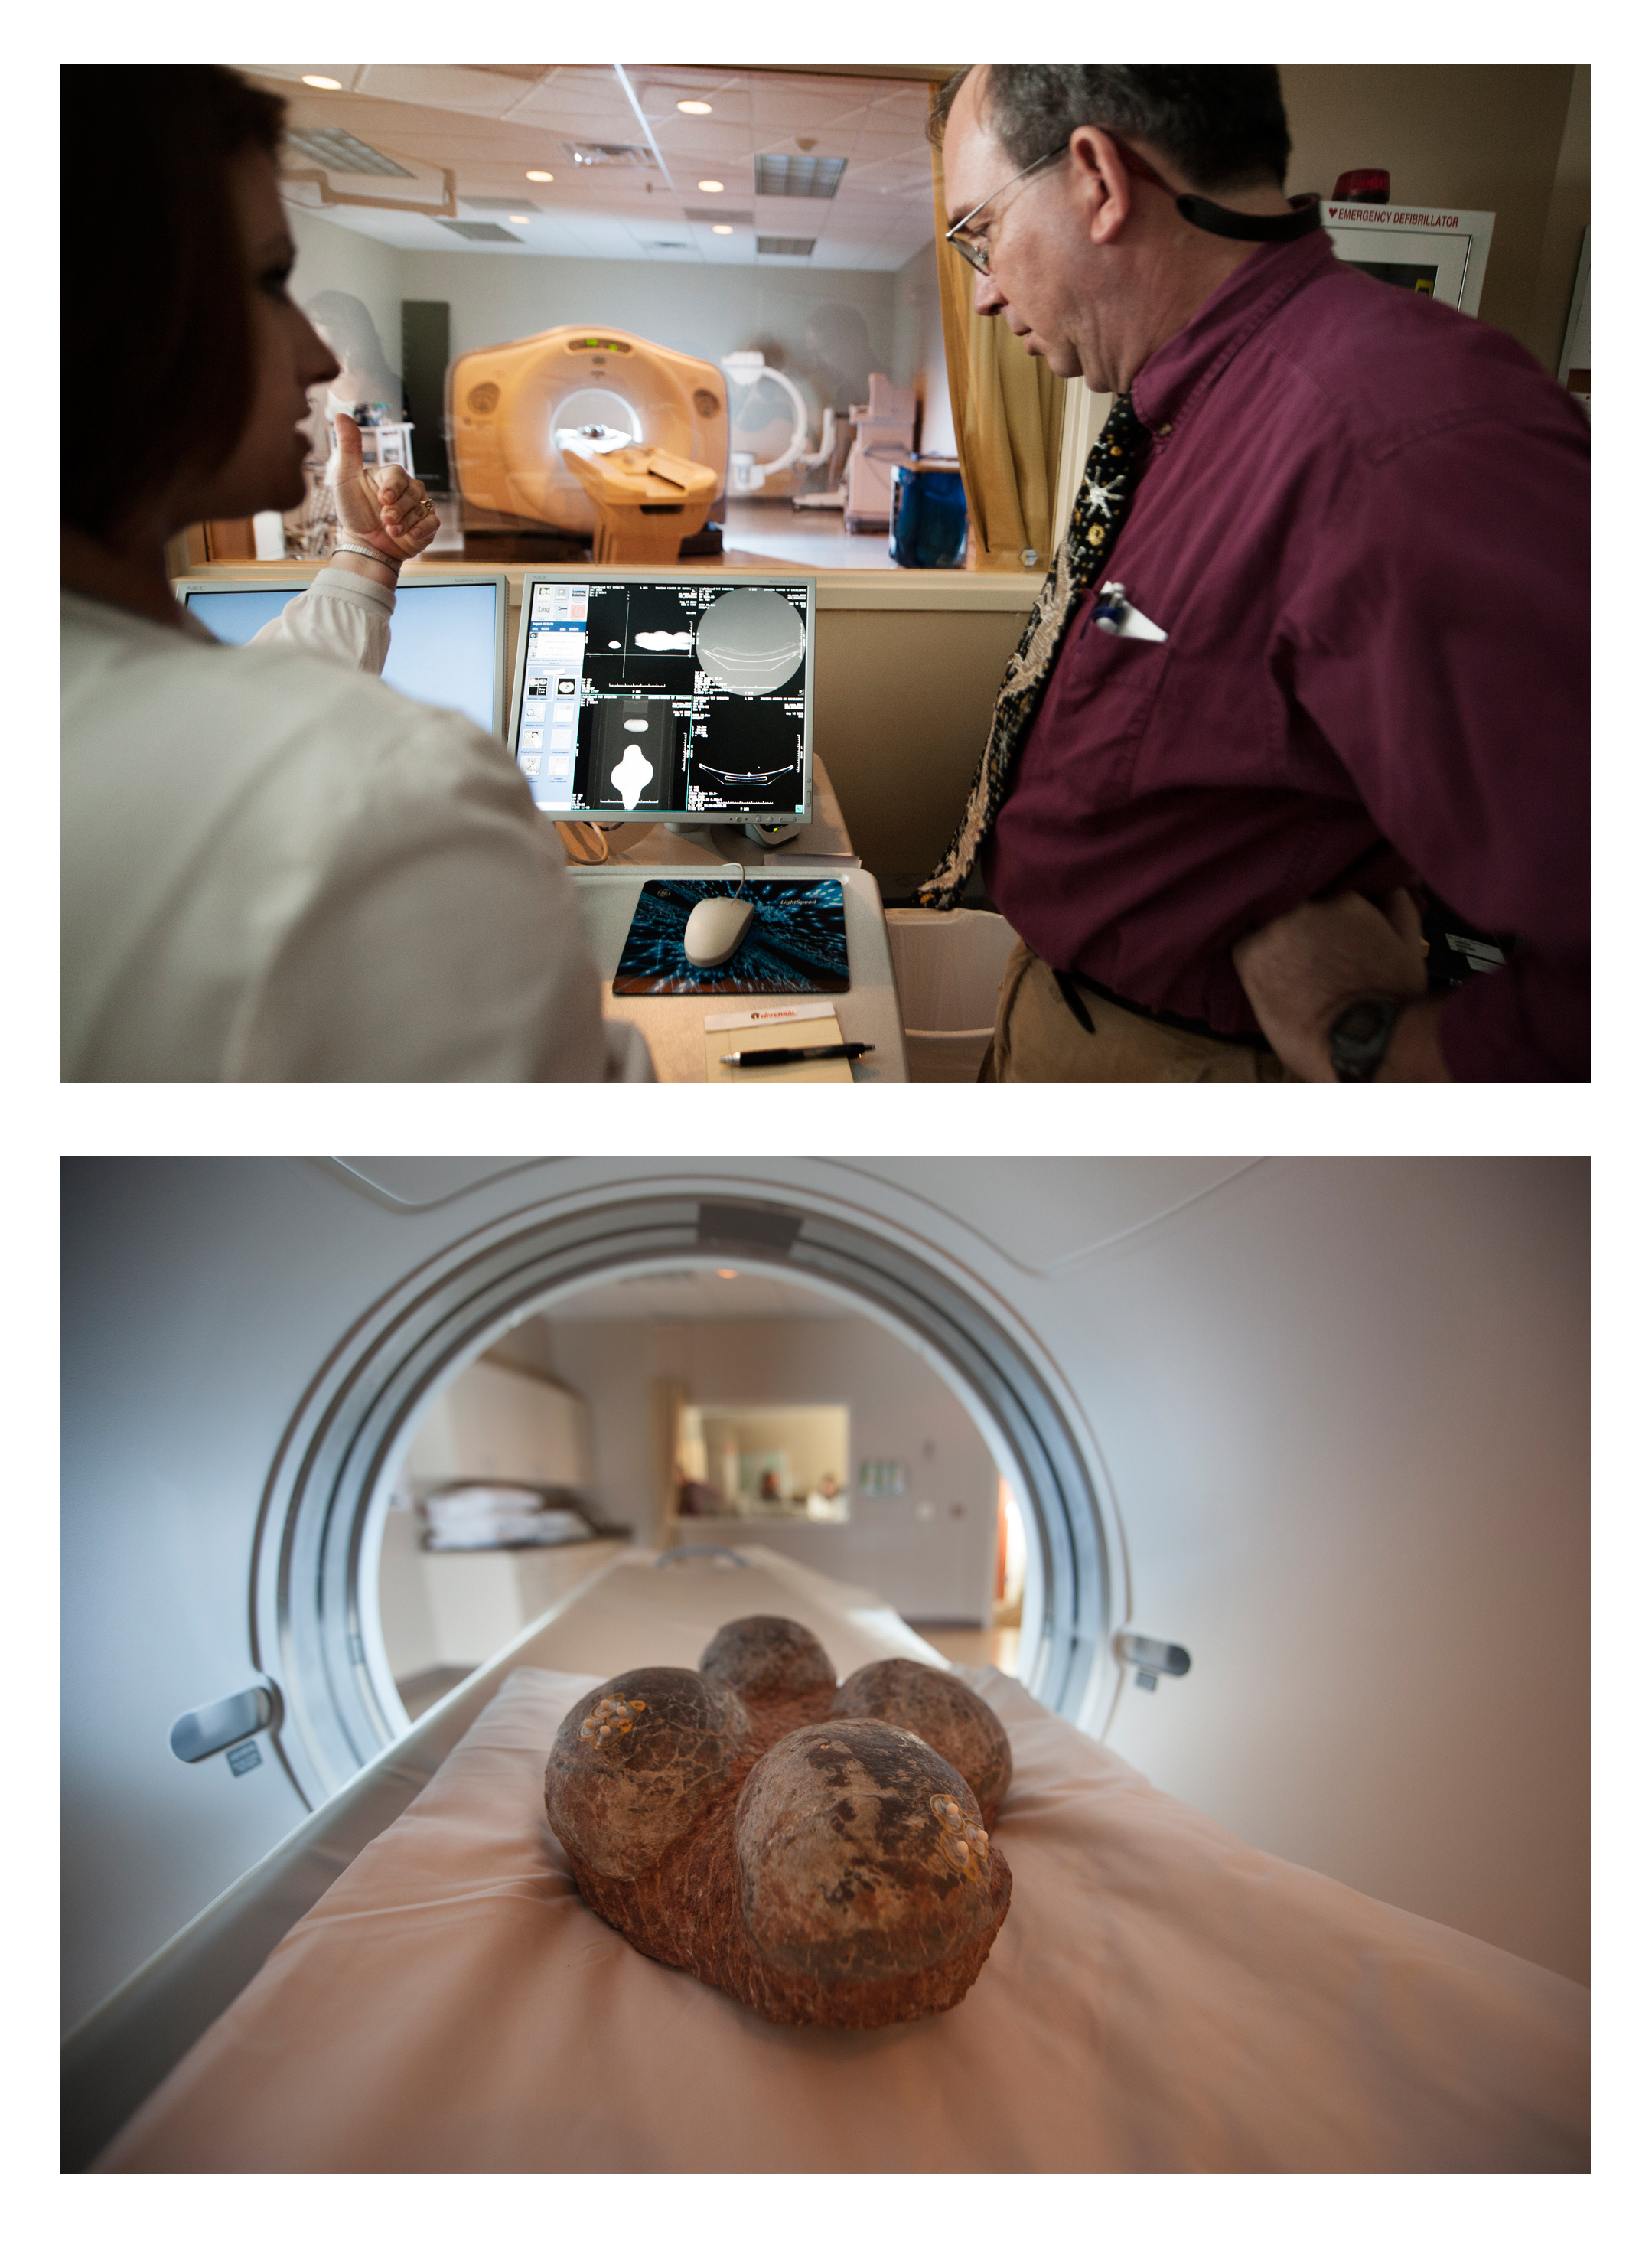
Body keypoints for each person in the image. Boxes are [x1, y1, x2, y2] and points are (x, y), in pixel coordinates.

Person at [922, 67, 1588, 1081]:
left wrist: (1366, 1044)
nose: (984, 292)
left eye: (982, 231)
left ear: (1100, 179)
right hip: (1066, 1022)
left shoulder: (1396, 437)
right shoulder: (1190, 404)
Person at [61, 66, 650, 1081]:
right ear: (111, 304)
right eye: (264, 281)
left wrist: (364, 556)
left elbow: (230, 709)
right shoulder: (394, 805)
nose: (313, 358)